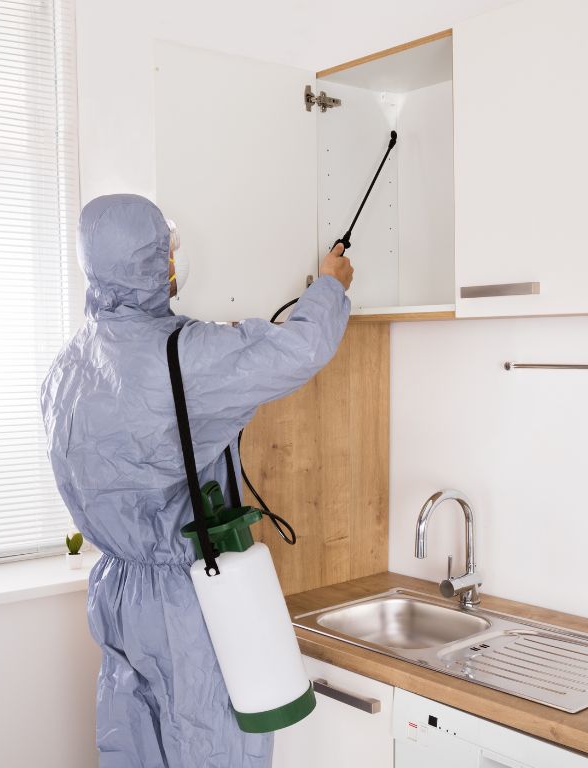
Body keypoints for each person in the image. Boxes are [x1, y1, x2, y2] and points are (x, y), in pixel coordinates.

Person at [41, 193, 354, 767]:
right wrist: (331, 283)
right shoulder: (184, 354)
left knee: (135, 747)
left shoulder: (69, 365)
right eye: (167, 250)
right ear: (155, 262)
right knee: (210, 750)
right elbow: (301, 346)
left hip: (115, 591)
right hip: (187, 598)